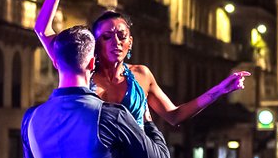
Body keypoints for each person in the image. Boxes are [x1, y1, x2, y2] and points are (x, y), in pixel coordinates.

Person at [35, 0, 250, 128]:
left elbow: (174, 115)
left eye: (121, 35)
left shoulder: (141, 75)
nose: (115, 42)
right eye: (107, 37)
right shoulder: (81, 71)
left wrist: (220, 90)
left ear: (131, 42)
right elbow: (42, 29)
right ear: (95, 43)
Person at [22, 25, 169, 158]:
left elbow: (41, 27)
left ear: (55, 62)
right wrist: (148, 123)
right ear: (92, 63)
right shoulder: (111, 115)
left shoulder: (30, 119)